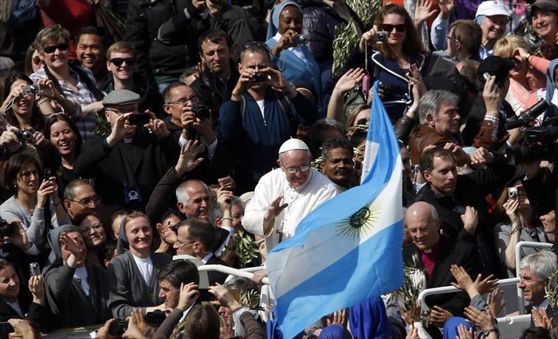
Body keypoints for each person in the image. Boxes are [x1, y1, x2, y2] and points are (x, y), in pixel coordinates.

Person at [219, 43, 319, 192]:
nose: (257, 72)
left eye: (262, 67)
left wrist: (288, 88)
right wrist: (236, 94)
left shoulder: (282, 99)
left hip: (288, 183)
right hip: (250, 187)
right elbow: (227, 133)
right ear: (240, 68)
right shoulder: (235, 104)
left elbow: (312, 118)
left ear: (270, 67)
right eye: (251, 67)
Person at [74, 89, 178, 211]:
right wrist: (112, 140)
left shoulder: (153, 140)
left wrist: (166, 138)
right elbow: (80, 169)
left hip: (152, 210)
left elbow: (178, 166)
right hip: (115, 215)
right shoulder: (98, 144)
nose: (129, 116)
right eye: (122, 112)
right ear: (107, 116)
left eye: (133, 110)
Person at [243, 138, 337, 252]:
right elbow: (248, 220)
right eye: (292, 169)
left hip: (307, 258)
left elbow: (322, 230)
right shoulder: (269, 181)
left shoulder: (326, 188)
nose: (299, 174)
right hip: (273, 257)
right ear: (280, 165)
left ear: (310, 160)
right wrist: (267, 217)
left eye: (304, 167)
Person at [404, 201, 479, 332]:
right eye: (413, 230)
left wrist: (449, 312)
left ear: (437, 224)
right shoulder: (404, 255)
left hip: (451, 321)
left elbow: (470, 289)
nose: (419, 235)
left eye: (423, 229)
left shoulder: (462, 251)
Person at [30, 24, 103, 142]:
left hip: (98, 145)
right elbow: (52, 122)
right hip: (68, 149)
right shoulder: (36, 81)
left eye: (62, 47)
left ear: (69, 49)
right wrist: (90, 108)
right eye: (50, 49)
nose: (58, 53)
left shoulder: (85, 74)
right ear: (40, 54)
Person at [358, 3, 426, 121]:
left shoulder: (420, 58)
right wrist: (362, 45)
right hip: (386, 121)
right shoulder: (373, 57)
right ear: (380, 29)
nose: (394, 32)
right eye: (388, 28)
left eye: (400, 28)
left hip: (416, 123)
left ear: (407, 30)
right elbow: (348, 73)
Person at [43, 225, 110, 330]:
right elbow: (59, 290)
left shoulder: (97, 272)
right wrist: (74, 256)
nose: (78, 249)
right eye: (69, 246)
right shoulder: (52, 275)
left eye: (81, 243)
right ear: (58, 251)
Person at [107, 212, 171, 318]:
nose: (142, 235)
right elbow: (118, 310)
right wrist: (153, 310)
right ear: (126, 236)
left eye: (146, 229)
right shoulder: (119, 264)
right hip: (134, 329)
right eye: (135, 231)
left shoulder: (165, 260)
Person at [0, 153, 70, 250]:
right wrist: (40, 206)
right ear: (14, 181)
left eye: (34, 172)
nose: (33, 178)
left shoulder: (46, 199)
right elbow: (31, 241)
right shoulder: (6, 210)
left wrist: (55, 199)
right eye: (26, 174)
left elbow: (66, 228)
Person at [266, 1, 321, 110]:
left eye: (297, 21)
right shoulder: (269, 47)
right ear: (277, 22)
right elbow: (264, 70)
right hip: (290, 112)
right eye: (287, 21)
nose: (293, 26)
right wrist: (278, 49)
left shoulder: (303, 46)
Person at [494, 180, 550, 277]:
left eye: (525, 189)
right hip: (523, 288)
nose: (521, 193)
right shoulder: (503, 228)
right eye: (516, 190)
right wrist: (515, 222)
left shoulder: (543, 225)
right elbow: (512, 263)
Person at [102, 41, 163, 117]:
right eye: (117, 62)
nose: (124, 65)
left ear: (135, 64)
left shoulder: (151, 96)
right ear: (108, 65)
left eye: (129, 61)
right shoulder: (100, 94)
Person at [191, 30, 239, 127]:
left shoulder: (244, 78)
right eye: (210, 53)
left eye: (221, 51)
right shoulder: (198, 89)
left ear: (231, 51)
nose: (217, 58)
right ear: (202, 57)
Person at [174, 218, 228, 285]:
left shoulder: (212, 277)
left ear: (196, 247)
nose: (174, 246)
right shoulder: (181, 266)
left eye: (180, 242)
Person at [0, 259, 46, 327]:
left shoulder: (28, 292)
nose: (13, 283)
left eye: (14, 276)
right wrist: (38, 299)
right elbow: (25, 331)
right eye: (6, 280)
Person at [43, 114, 82, 193]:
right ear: (49, 140)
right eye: (56, 135)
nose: (62, 138)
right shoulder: (50, 172)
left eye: (67, 132)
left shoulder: (90, 161)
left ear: (75, 134)